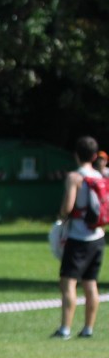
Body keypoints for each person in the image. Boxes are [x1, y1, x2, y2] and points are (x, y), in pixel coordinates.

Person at [53, 136, 104, 340]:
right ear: (94, 156)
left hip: (78, 237)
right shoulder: (101, 177)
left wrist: (61, 217)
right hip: (98, 237)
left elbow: (68, 208)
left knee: (68, 283)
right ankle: (88, 329)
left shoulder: (75, 177)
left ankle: (65, 328)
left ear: (76, 154)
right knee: (91, 284)